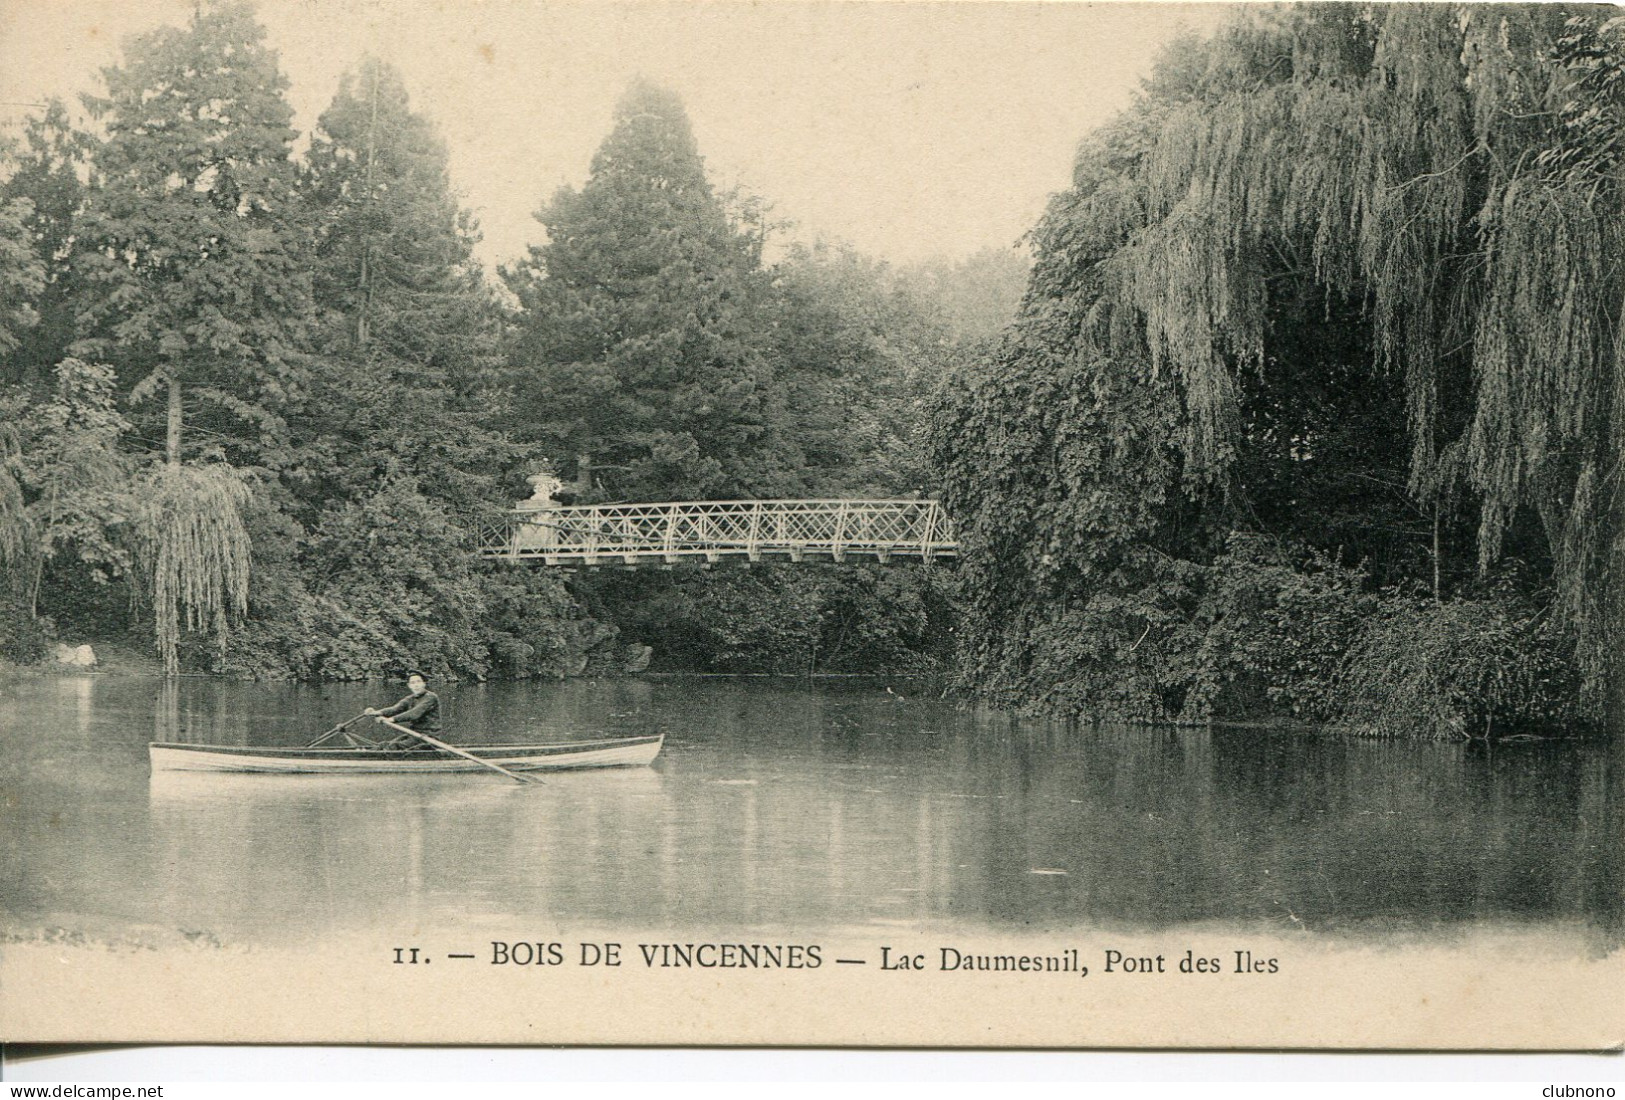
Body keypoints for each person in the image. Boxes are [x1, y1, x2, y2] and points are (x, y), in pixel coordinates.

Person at [366, 672, 441, 750]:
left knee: (394, 747)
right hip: (413, 734)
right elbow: (395, 709)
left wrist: (391, 719)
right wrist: (376, 712)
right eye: (413, 683)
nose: (416, 685)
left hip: (429, 737)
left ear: (424, 683)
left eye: (419, 682)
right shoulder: (410, 699)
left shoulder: (431, 697)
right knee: (385, 745)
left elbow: (414, 713)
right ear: (409, 685)